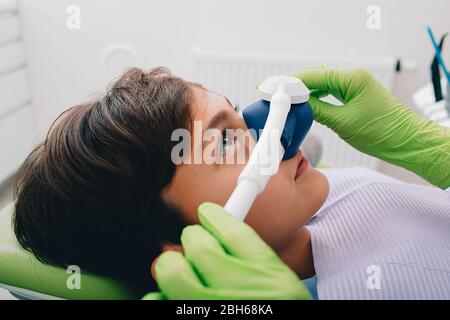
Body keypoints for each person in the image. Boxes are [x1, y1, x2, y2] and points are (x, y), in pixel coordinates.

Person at [11, 66, 449, 299]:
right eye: (223, 142)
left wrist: (434, 152)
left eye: (239, 112)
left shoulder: (321, 199)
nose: (276, 132)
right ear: (188, 244)